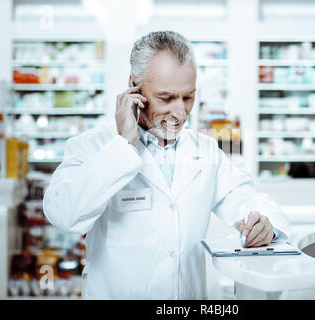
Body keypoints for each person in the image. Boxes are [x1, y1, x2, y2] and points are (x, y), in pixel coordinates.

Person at [43, 30, 290, 299]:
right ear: (133, 86)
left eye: (188, 97)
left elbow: (248, 199)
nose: (180, 113)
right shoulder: (93, 146)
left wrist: (265, 225)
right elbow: (62, 214)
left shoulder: (204, 150)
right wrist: (123, 146)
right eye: (166, 98)